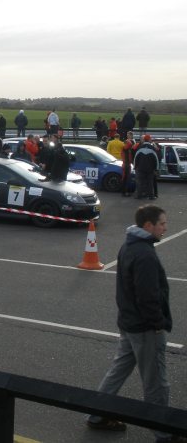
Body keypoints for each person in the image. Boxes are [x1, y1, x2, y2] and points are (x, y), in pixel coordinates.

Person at [86, 205, 178, 442]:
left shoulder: (129, 245)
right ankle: (165, 433)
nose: (166, 228)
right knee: (156, 382)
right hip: (145, 328)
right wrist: (158, 323)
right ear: (148, 226)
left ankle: (97, 415)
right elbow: (148, 296)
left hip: (129, 323)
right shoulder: (144, 254)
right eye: (162, 223)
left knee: (118, 370)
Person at [133, 135, 160, 200]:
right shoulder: (152, 148)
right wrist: (156, 169)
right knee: (150, 183)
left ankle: (139, 195)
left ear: (144, 140)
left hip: (140, 168)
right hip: (150, 169)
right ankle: (151, 196)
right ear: (149, 140)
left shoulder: (140, 148)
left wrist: (135, 167)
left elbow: (136, 158)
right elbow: (156, 159)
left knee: (140, 182)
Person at [121, 131, 135, 197]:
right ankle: (125, 192)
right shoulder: (126, 146)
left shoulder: (128, 145)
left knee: (126, 178)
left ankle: (125, 191)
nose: (127, 136)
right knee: (126, 178)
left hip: (127, 163)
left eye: (129, 135)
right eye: (127, 135)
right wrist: (129, 141)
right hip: (126, 164)